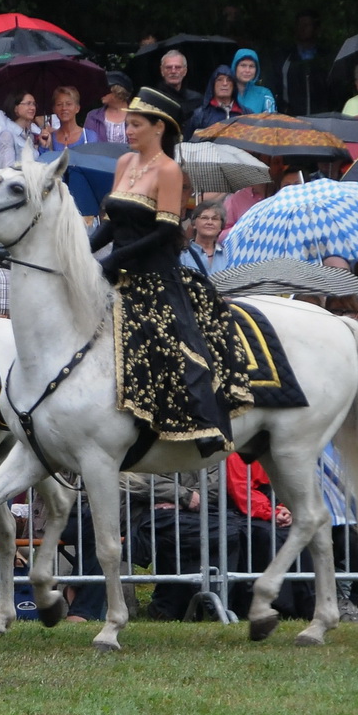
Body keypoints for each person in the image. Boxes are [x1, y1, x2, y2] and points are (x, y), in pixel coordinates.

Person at [95, 89, 251, 454]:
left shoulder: (169, 170)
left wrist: (114, 260)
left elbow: (166, 231)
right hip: (117, 275)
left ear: (158, 127)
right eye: (128, 124)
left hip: (156, 277)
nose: (128, 131)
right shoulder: (124, 163)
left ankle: (203, 422)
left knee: (173, 344)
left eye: (135, 124)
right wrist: (83, 254)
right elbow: (113, 223)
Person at [277, 10, 331, 116]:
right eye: (299, 25)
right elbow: (277, 88)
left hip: (322, 119)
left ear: (315, 28)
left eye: (306, 25)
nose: (302, 28)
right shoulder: (285, 58)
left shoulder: (326, 59)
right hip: (292, 119)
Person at [187, 66, 241, 138]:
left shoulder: (245, 113)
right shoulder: (200, 115)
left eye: (229, 80)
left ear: (234, 86)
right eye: (219, 80)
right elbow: (188, 142)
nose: (225, 83)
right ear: (213, 85)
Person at [152, 49, 204, 120]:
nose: (173, 71)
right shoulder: (152, 100)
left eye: (178, 67)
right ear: (162, 71)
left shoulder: (196, 100)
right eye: (168, 67)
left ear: (185, 71)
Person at [82, 72, 134, 144]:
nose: (100, 92)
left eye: (104, 89)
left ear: (117, 91)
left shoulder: (139, 115)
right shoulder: (93, 117)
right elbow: (89, 145)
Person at [179, 201, 229, 275]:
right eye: (204, 218)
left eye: (215, 219)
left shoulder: (228, 254)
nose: (210, 222)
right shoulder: (182, 253)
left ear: (221, 226)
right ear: (194, 224)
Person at [40, 86, 88, 152]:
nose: (64, 108)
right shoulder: (49, 137)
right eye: (59, 104)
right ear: (54, 109)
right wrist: (45, 146)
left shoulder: (88, 136)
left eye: (69, 104)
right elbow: (44, 158)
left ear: (77, 108)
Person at [229, 48, 276, 114]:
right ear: (235, 67)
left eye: (251, 66)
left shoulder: (264, 94)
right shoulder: (225, 92)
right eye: (243, 65)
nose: (247, 70)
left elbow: (271, 119)